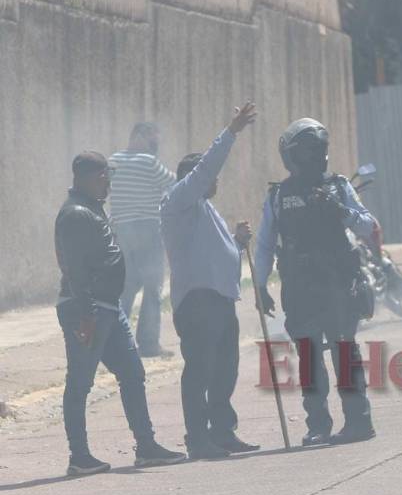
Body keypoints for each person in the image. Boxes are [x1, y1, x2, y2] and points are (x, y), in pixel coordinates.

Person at [55, 151, 186, 476]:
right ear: (85, 177)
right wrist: (85, 313)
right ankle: (80, 457)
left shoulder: (93, 210)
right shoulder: (75, 214)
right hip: (88, 310)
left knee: (132, 373)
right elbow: (73, 269)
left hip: (109, 309)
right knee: (80, 383)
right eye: (103, 177)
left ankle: (146, 446)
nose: (108, 184)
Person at [255, 118, 376, 447]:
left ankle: (359, 422)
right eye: (312, 151)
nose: (318, 157)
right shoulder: (279, 195)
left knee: (343, 352)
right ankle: (318, 425)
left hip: (338, 283)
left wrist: (340, 211)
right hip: (300, 286)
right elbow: (265, 244)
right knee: (309, 357)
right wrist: (260, 284)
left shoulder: (338, 187)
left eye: (320, 151)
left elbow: (367, 225)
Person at [160, 102, 260, 460]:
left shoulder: (205, 209)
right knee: (199, 371)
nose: (215, 180)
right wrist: (231, 131)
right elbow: (205, 170)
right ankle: (198, 439)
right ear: (193, 178)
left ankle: (222, 432)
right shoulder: (179, 200)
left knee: (224, 370)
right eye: (208, 176)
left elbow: (219, 259)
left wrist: (237, 243)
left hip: (219, 300)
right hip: (197, 303)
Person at [109, 123, 177, 358]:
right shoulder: (148, 163)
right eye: (152, 141)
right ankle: (148, 343)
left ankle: (117, 341)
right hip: (148, 231)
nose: (154, 147)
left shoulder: (113, 161)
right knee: (152, 287)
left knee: (126, 288)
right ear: (137, 136)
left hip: (121, 231)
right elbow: (177, 183)